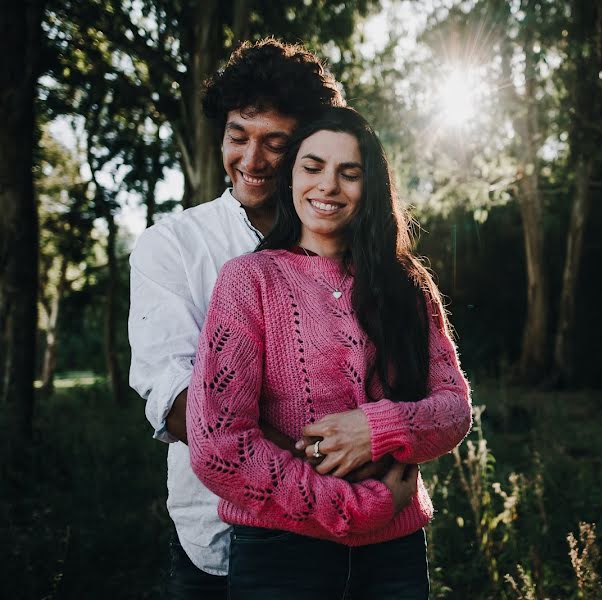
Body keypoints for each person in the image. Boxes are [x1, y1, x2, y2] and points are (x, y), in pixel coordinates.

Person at [186, 106, 472, 599]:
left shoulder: (407, 286)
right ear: (289, 176)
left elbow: (453, 410)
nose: (328, 187)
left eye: (349, 173)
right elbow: (218, 447)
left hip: (394, 558)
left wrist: (376, 429)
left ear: (371, 187)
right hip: (280, 553)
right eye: (312, 167)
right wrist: (358, 506)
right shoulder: (247, 281)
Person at [128, 39, 358, 598]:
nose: (251, 161)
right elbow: (177, 398)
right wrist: (329, 455)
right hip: (218, 538)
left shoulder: (351, 249)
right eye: (238, 136)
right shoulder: (173, 246)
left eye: (275, 143)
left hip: (348, 537)